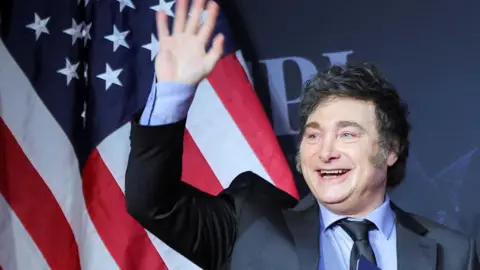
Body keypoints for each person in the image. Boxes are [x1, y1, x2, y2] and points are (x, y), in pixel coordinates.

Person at [125, 0, 480, 269]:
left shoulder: (453, 253)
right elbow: (154, 203)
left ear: (390, 149)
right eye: (313, 136)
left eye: (347, 135)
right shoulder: (250, 222)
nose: (325, 151)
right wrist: (172, 95)